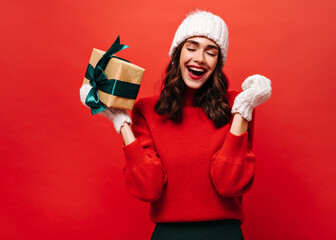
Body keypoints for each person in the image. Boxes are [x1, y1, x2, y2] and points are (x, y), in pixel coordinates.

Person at [80, 10, 271, 240]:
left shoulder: (237, 105)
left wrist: (243, 108)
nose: (200, 58)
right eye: (191, 48)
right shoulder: (147, 110)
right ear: (177, 54)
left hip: (224, 234)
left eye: (210, 52)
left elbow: (229, 183)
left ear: (217, 63)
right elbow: (149, 188)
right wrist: (121, 122)